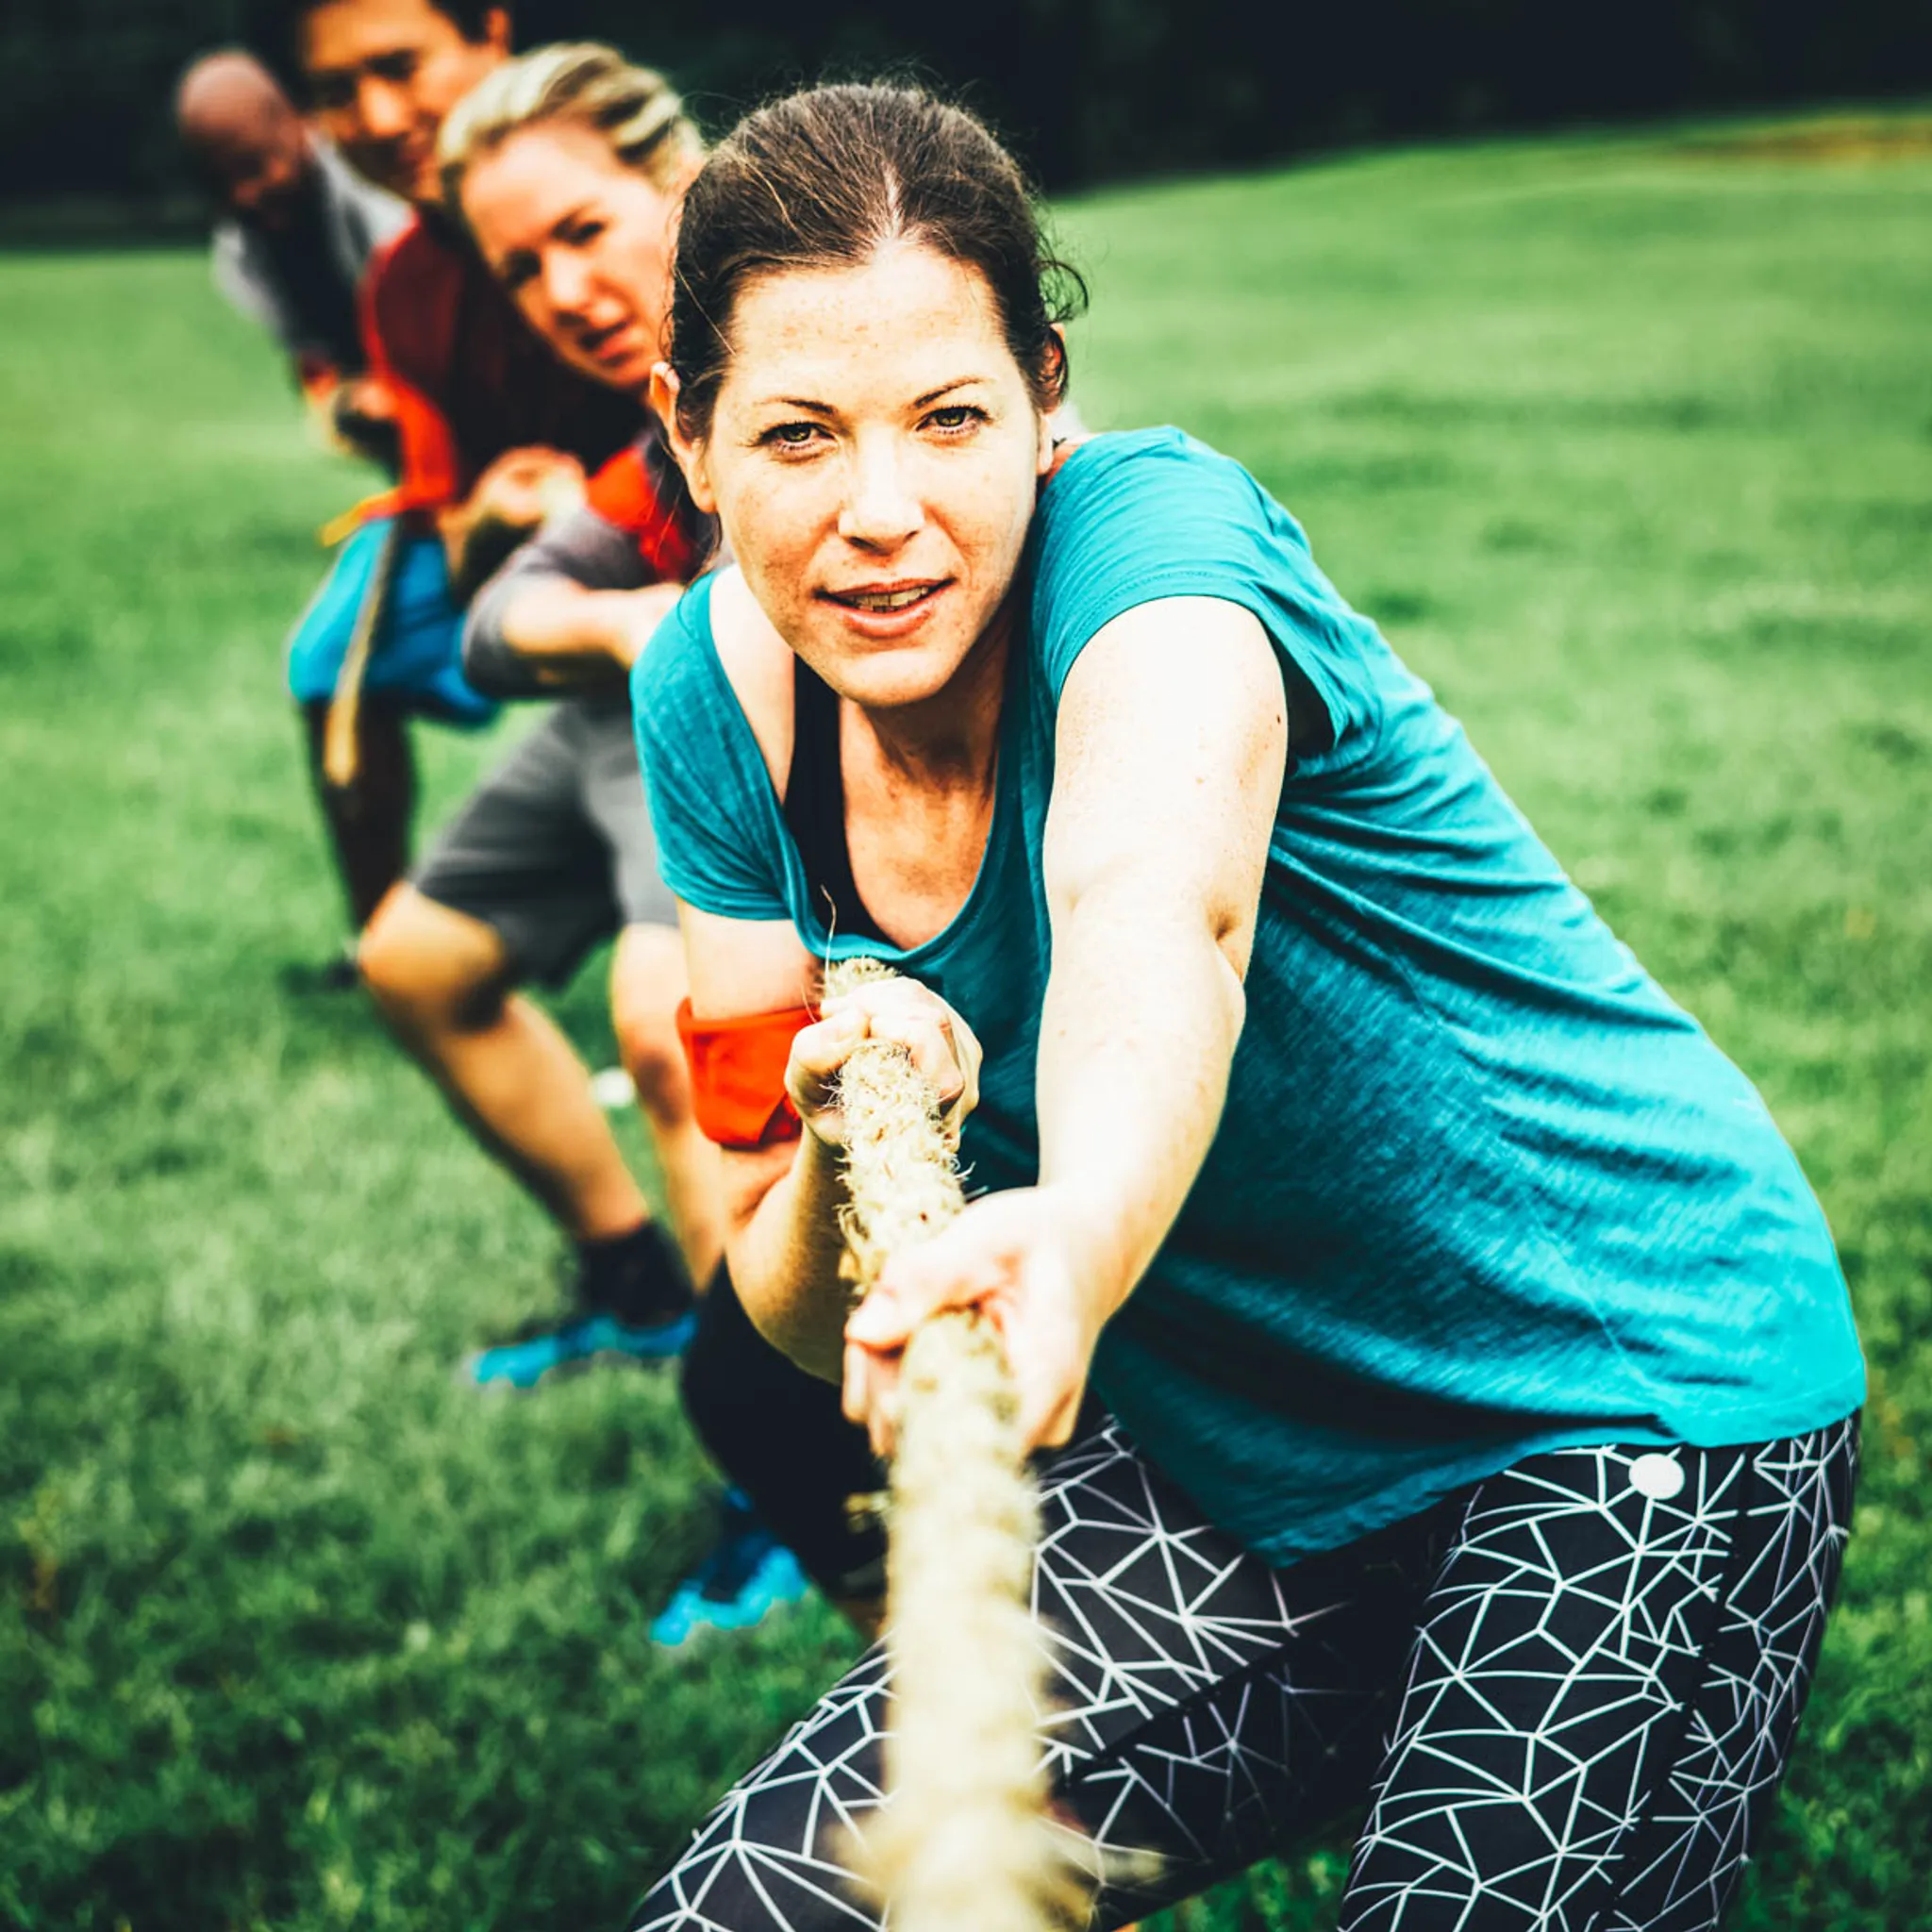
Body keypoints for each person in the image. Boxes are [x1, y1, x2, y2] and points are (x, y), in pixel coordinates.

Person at [625, 82, 1867, 1932]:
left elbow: (1159, 911)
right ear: (692, 434)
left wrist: (1074, 1233)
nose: (882, 515)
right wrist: (831, 1142)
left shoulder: (1157, 556)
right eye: (798, 434)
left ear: (1044, 399)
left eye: (949, 419)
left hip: (1620, 1400)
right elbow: (787, 1310)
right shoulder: (713, 705)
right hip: (1247, 1458)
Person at [408, 43, 888, 1637]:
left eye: (579, 231)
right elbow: (494, 624)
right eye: (517, 267)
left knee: (661, 1019)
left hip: (762, 720)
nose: (558, 290)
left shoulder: (815, 334)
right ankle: (637, 1287)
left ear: (678, 181)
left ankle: (793, 1466)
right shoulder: (657, 419)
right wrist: (628, 622)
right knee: (415, 959)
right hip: (645, 695)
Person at [280, 0, 642, 956]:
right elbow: (445, 511)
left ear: (490, 31)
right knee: (328, 656)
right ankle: (380, 938)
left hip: (675, 522)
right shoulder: (403, 285)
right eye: (335, 93)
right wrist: (488, 520)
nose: (377, 116)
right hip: (533, 539)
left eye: (400, 66)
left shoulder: (628, 174)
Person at [175, 48, 406, 467]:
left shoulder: (380, 190)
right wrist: (345, 402)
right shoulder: (240, 253)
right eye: (219, 181)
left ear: (297, 123)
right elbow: (315, 370)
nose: (243, 194)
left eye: (253, 166)